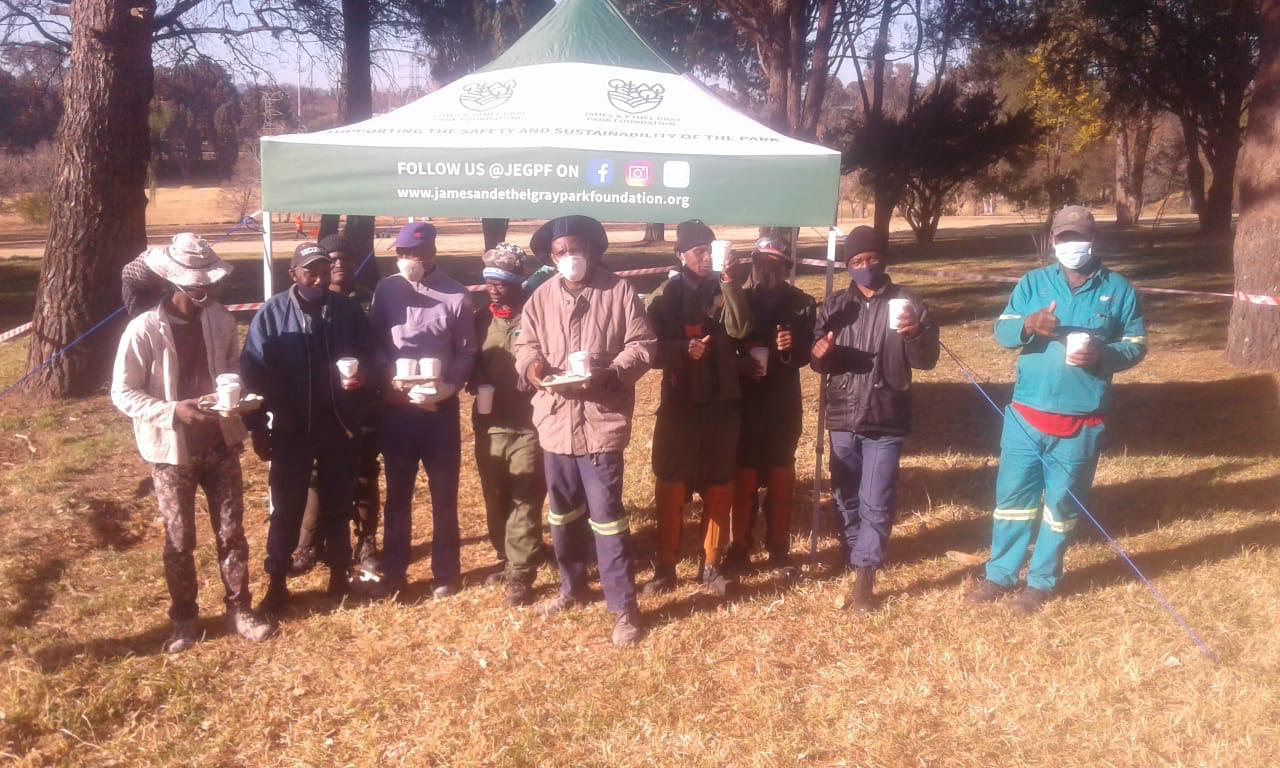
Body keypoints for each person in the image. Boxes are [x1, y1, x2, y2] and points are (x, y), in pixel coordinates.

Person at [967, 206, 1146, 613]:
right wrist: (1028, 325)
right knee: (1012, 500)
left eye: (1078, 237)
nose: (1071, 245)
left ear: (1093, 240)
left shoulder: (1118, 290)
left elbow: (1136, 345)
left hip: (1082, 420)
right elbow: (1002, 330)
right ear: (1053, 241)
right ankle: (1000, 574)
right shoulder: (1033, 283)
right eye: (1064, 238)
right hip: (1026, 415)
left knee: (1061, 507)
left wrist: (1104, 353)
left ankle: (1042, 582)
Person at [111, 236, 273, 652]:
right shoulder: (144, 329)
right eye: (200, 286)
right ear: (176, 285)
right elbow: (123, 393)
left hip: (221, 442)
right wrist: (171, 411)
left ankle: (240, 608)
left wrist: (238, 396)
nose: (209, 292)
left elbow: (232, 365)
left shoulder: (218, 319)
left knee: (232, 532)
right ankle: (184, 617)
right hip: (171, 453)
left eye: (211, 284)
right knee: (180, 539)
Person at [514, 215, 655, 647]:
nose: (568, 258)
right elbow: (525, 345)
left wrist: (612, 373)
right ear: (551, 258)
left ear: (591, 251)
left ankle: (623, 608)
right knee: (561, 513)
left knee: (607, 518)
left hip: (600, 422)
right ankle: (571, 587)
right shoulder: (539, 297)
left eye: (575, 250)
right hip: (555, 423)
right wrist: (532, 368)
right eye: (560, 253)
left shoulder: (620, 291)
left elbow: (643, 345)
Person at [241, 242, 378, 615]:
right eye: (308, 272)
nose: (317, 278)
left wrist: (363, 379)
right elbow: (252, 374)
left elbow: (376, 357)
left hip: (339, 425)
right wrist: (257, 427)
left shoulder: (348, 312)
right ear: (294, 275)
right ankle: (277, 582)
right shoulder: (271, 315)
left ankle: (338, 574)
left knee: (338, 502)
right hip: (291, 428)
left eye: (322, 269)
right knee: (286, 509)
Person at [810, 226, 939, 613]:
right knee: (844, 493)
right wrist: (819, 352)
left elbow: (926, 360)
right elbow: (819, 361)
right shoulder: (833, 306)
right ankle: (851, 552)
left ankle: (865, 576)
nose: (864, 267)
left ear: (882, 259)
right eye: (856, 262)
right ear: (847, 266)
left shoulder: (908, 303)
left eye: (871, 259)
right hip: (843, 413)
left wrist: (915, 334)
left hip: (887, 413)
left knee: (875, 498)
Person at [642, 220, 753, 597]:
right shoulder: (662, 296)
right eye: (698, 251)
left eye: (710, 249)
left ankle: (711, 566)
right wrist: (680, 352)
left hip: (722, 401)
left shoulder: (725, 286)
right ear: (680, 255)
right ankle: (666, 566)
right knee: (671, 482)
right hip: (680, 403)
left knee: (720, 482)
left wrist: (730, 282)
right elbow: (645, 347)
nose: (706, 257)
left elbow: (741, 328)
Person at [369, 222, 477, 600]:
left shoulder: (457, 296)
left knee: (443, 492)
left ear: (431, 254)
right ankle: (394, 570)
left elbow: (466, 349)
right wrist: (388, 380)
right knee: (398, 492)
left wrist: (450, 385)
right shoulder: (386, 290)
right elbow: (376, 340)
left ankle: (445, 571)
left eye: (414, 256)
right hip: (397, 410)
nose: (407, 262)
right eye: (401, 255)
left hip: (439, 411)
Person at [289, 234, 382, 580]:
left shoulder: (370, 303)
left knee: (362, 473)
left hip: (360, 406)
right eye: (332, 258)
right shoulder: (298, 304)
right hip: (316, 410)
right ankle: (310, 543)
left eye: (345, 258)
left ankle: (366, 543)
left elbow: (379, 352)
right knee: (314, 475)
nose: (338, 264)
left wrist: (369, 378)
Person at [724, 236, 816, 577]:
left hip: (783, 401)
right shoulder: (739, 300)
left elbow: (810, 354)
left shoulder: (803, 304)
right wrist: (739, 366)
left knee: (780, 473)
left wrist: (794, 346)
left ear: (787, 268)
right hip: (746, 400)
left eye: (777, 264)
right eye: (763, 263)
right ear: (754, 264)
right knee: (744, 474)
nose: (769, 270)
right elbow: (727, 345)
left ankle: (779, 548)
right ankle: (740, 548)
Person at [470, 243, 548, 608]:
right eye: (488, 281)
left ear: (518, 282)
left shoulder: (538, 317)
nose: (494, 288)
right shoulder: (478, 319)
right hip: (490, 424)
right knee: (495, 494)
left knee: (526, 496)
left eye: (501, 282)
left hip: (529, 424)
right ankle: (506, 556)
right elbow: (465, 359)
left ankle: (521, 572)